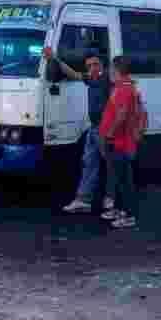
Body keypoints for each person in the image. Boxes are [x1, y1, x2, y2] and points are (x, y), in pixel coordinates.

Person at [43, 43, 114, 214]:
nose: (92, 68)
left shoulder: (107, 79)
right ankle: (83, 200)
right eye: (89, 65)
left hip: (106, 130)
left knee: (113, 165)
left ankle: (112, 199)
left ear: (103, 65)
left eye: (95, 64)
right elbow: (73, 74)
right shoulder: (92, 79)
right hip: (94, 129)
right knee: (89, 164)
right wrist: (54, 59)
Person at [98, 56, 144, 229]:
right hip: (117, 141)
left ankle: (128, 215)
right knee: (117, 178)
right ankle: (118, 210)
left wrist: (109, 134)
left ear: (117, 70)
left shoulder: (124, 88)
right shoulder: (122, 87)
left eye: (110, 68)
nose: (109, 71)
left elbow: (122, 115)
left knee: (124, 180)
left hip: (119, 142)